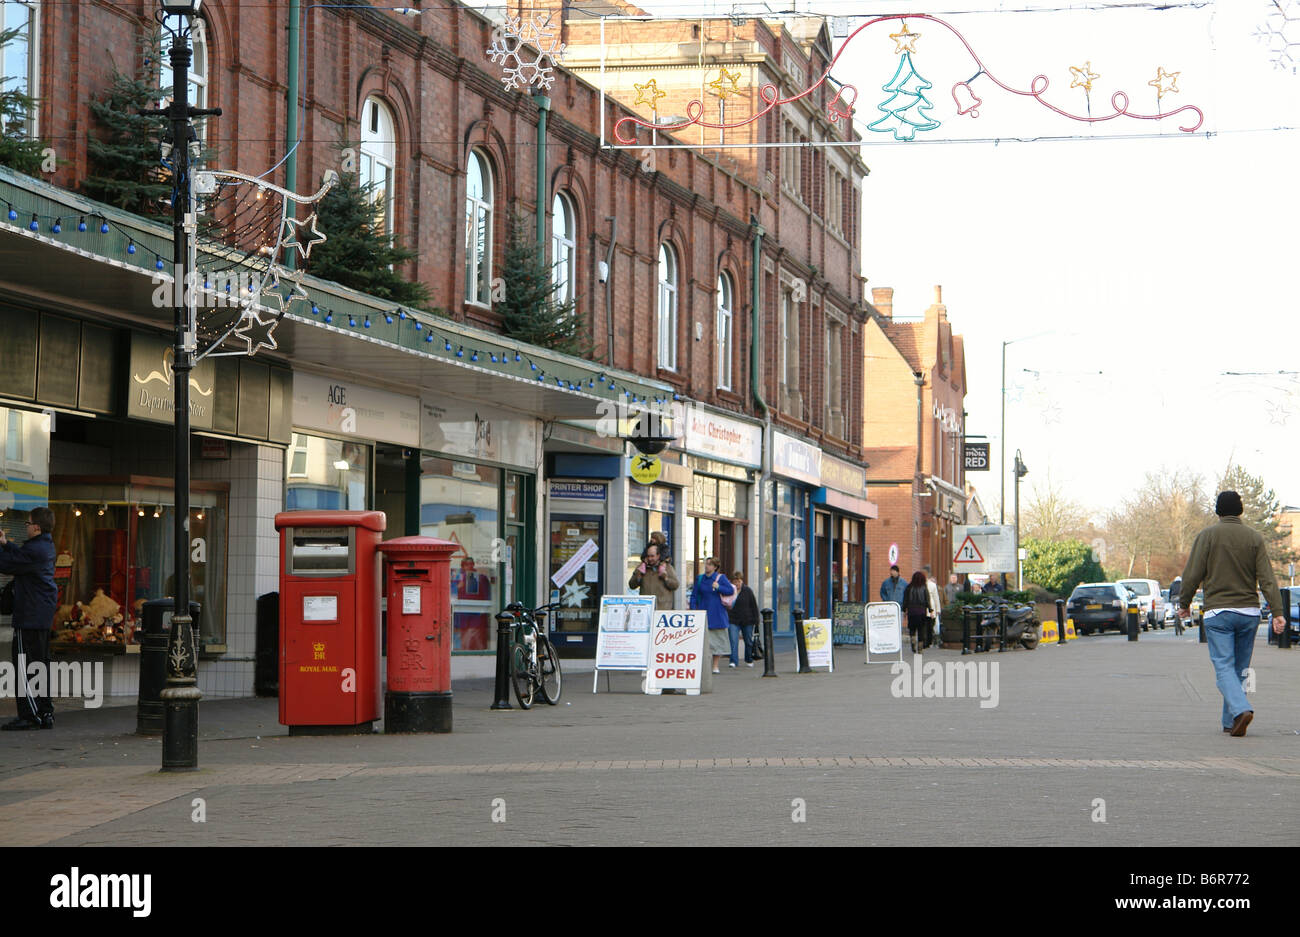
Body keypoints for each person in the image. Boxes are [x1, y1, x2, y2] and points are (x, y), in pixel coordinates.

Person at [1178, 491, 1286, 737]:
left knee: (1224, 667)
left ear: (1218, 511)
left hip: (1219, 612)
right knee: (1239, 669)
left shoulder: (1207, 536)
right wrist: (1277, 611)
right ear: (1241, 511)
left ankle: (1241, 708)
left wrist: (1184, 602)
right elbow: (1267, 578)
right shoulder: (1254, 538)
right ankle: (1231, 721)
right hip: (1248, 612)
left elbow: (1193, 573)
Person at [1, 507, 58, 730]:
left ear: (36, 527)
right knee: (39, 665)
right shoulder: (44, 546)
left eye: (27, 523)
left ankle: (30, 715)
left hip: (29, 615)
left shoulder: (36, 550)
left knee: (25, 667)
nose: (25, 526)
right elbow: (22, 557)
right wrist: (6, 544)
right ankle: (44, 712)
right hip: (40, 615)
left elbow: (7, 564)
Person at [689, 557, 734, 673]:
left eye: (709, 564)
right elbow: (694, 595)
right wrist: (694, 609)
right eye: (706, 564)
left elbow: (730, 591)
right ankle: (704, 664)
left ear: (715, 567)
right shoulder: (700, 579)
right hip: (703, 612)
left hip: (717, 613)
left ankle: (715, 665)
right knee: (703, 641)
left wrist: (719, 587)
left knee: (717, 641)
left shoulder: (720, 578)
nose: (707, 566)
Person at [628, 540, 679, 611]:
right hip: (645, 609)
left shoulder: (667, 567)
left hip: (662, 610)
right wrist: (639, 575)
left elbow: (675, 585)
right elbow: (631, 585)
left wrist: (666, 578)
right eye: (648, 556)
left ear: (658, 556)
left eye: (652, 556)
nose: (650, 559)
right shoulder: (641, 567)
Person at [728, 571, 760, 668]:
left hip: (747, 620)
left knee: (748, 641)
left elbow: (753, 605)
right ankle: (733, 661)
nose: (737, 584)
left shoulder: (747, 591)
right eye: (735, 582)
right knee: (733, 641)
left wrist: (756, 620)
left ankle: (748, 659)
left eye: (738, 581)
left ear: (741, 581)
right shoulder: (729, 591)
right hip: (733, 620)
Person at [902, 570, 934, 654]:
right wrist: (930, 610)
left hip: (911, 611)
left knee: (912, 628)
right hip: (921, 611)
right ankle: (920, 648)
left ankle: (913, 641)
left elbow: (905, 600)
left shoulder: (909, 587)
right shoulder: (924, 587)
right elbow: (927, 600)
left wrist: (904, 610)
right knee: (921, 630)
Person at [924, 565, 943, 648]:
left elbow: (936, 598)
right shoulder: (920, 584)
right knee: (925, 626)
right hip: (923, 608)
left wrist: (938, 609)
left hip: (931, 609)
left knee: (930, 626)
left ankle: (929, 641)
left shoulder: (932, 585)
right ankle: (926, 641)